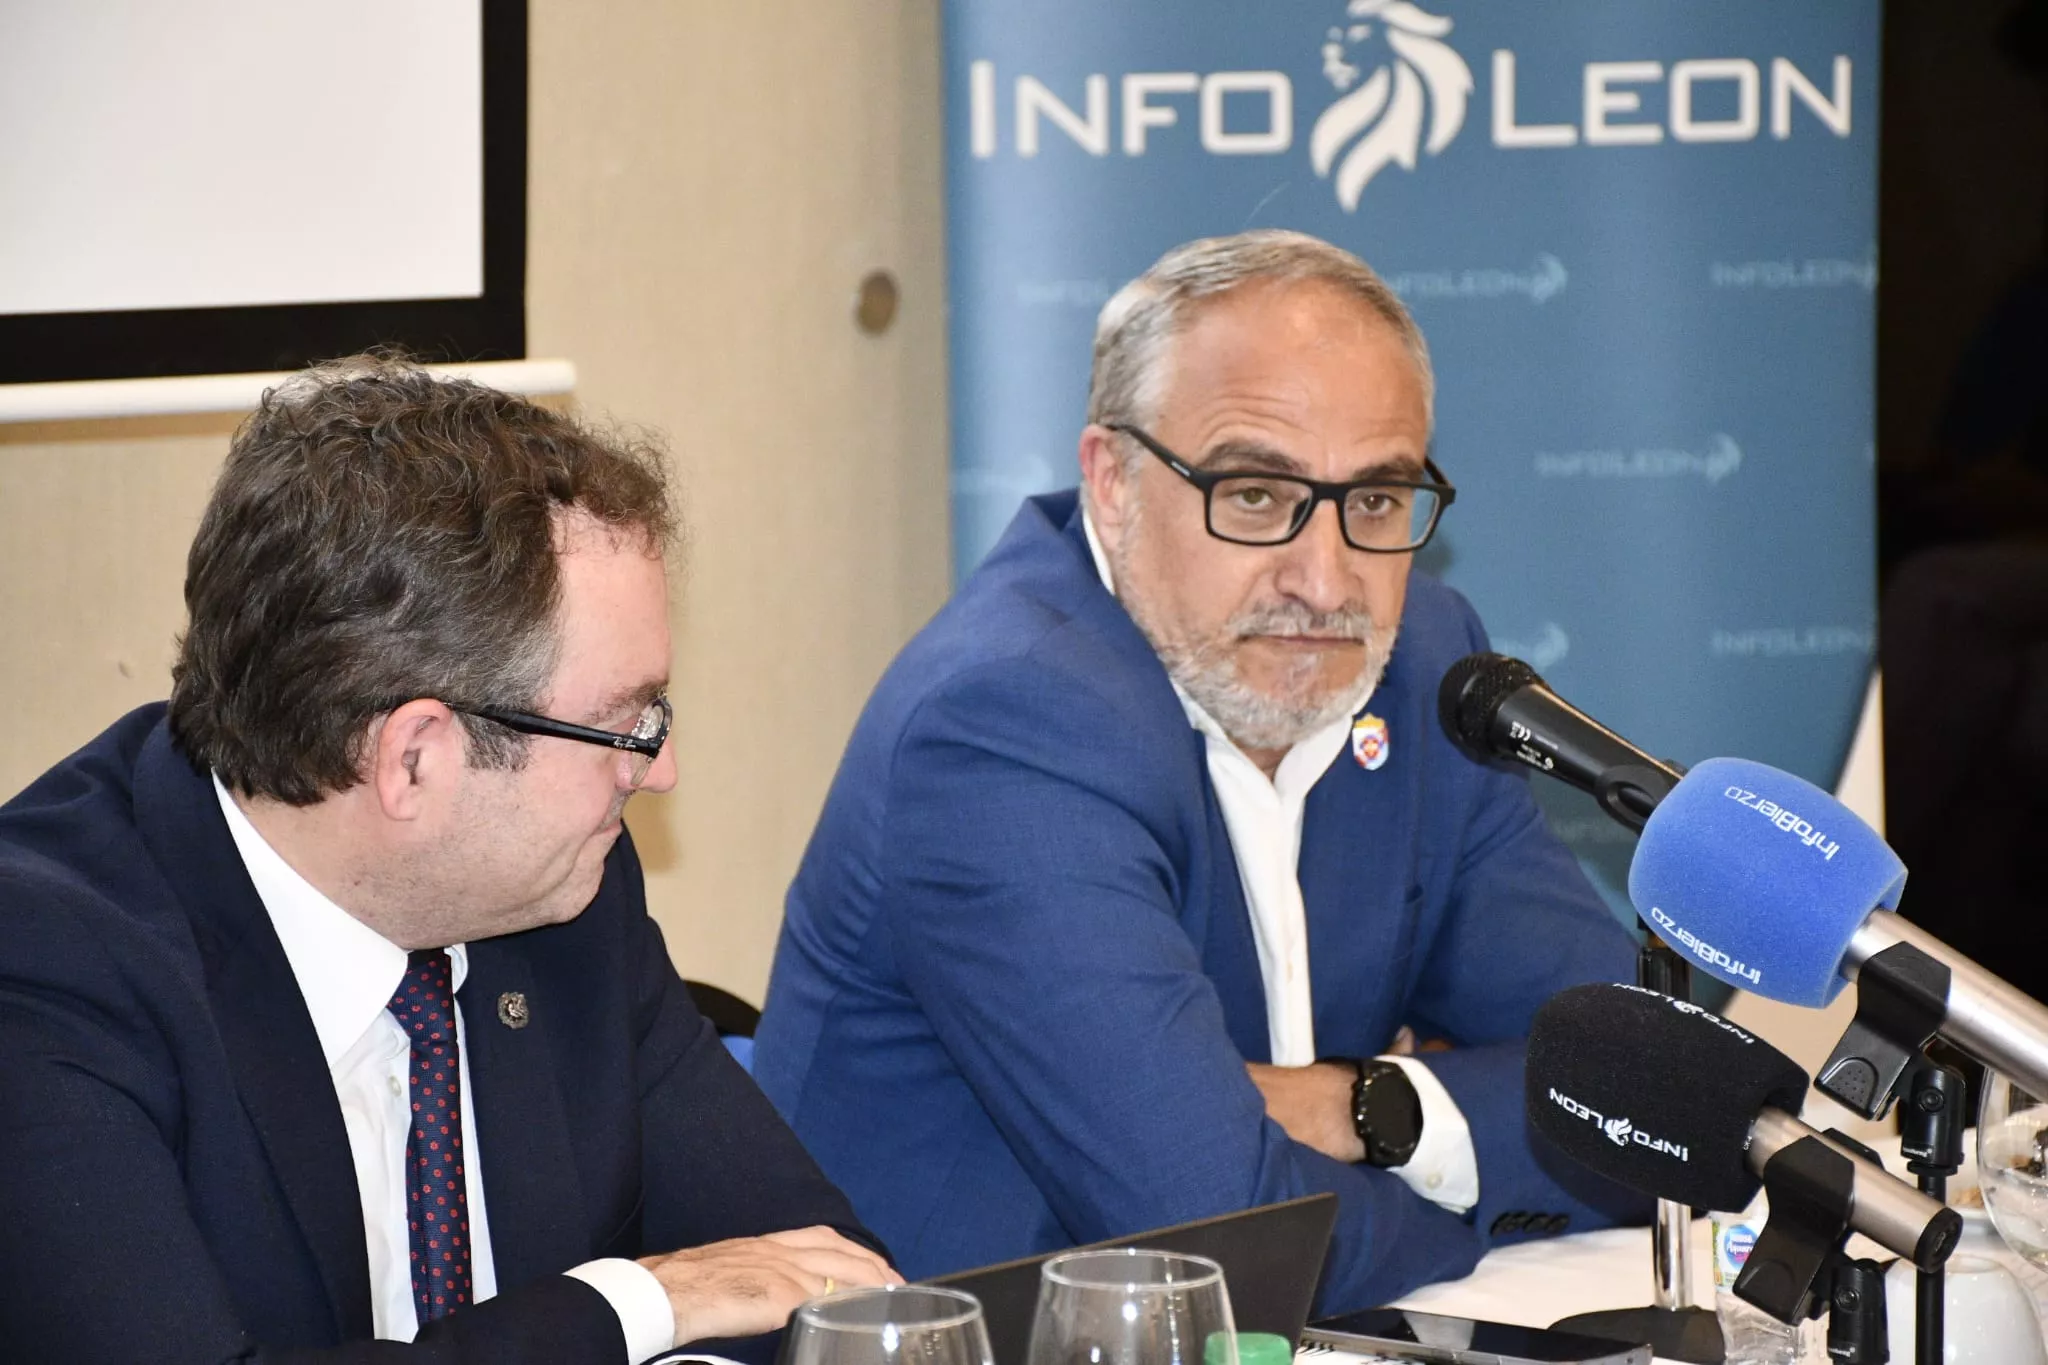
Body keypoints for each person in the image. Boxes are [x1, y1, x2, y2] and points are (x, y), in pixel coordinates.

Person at [752, 230, 1648, 1312]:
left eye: (1374, 501)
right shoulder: (1004, 725)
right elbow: (1227, 1235)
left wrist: (1375, 1109)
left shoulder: (1420, 665)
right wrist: (1450, 1177)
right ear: (1112, 482)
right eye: (1257, 495)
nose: (1326, 582)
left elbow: (1646, 1094)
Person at [0, 357, 898, 1364]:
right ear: (414, 758)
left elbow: (833, 1293)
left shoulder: (562, 895)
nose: (659, 771)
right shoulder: (41, 972)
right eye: (622, 724)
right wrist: (632, 1306)